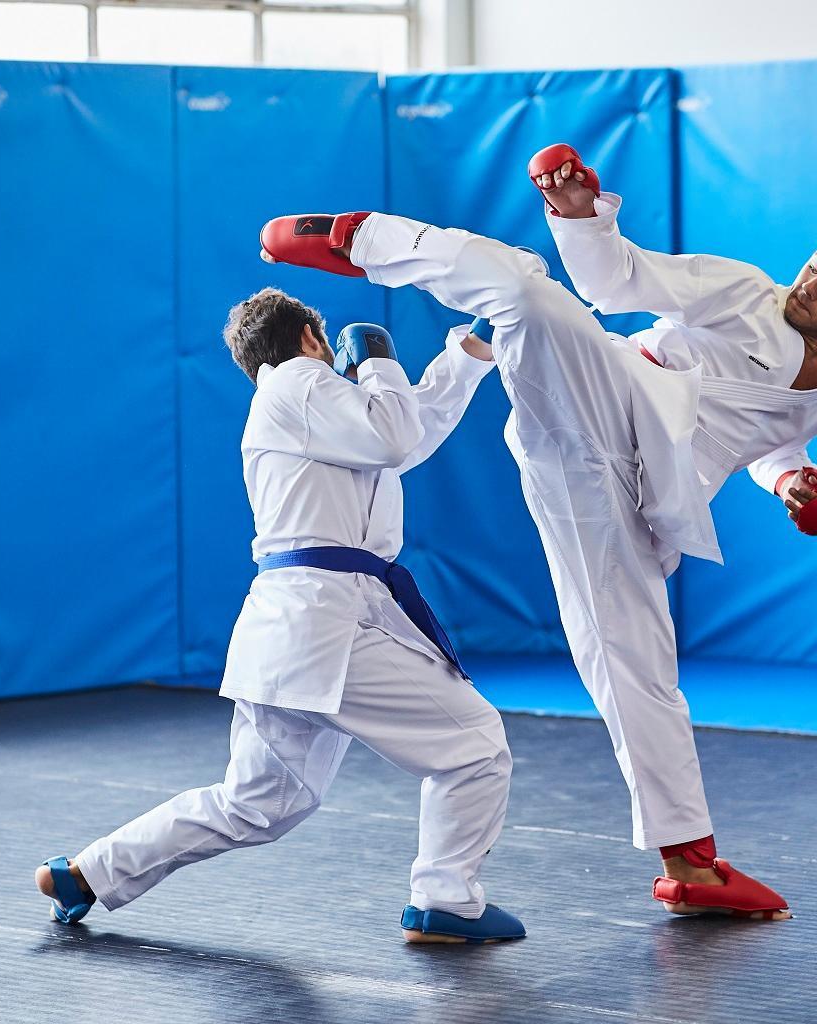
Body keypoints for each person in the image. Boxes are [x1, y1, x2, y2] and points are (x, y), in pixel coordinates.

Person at [259, 144, 816, 920]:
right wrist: (581, 216)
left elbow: (776, 440)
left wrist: (792, 481)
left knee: (634, 661)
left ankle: (691, 865)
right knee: (529, 289)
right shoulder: (747, 292)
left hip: (628, 494)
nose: (812, 279)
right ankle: (360, 237)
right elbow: (618, 280)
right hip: (608, 395)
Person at [35, 286, 525, 944]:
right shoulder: (297, 382)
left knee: (260, 803)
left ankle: (87, 873)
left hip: (297, 624)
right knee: (473, 747)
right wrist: (376, 356)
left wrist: (465, 356)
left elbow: (405, 436)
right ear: (309, 342)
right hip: (326, 619)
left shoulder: (306, 408)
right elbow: (391, 431)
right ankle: (446, 899)